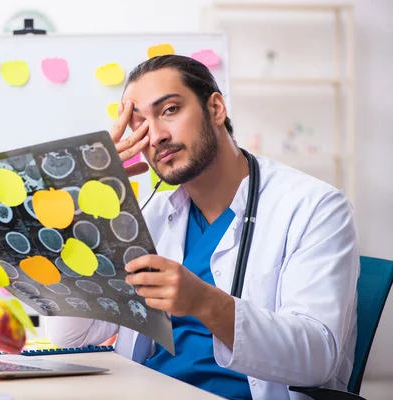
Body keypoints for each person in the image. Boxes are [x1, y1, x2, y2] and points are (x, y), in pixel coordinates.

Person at [43, 55, 360, 400]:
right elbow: (69, 333)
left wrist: (204, 301)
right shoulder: (151, 216)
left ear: (216, 108)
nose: (157, 137)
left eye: (169, 110)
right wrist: (85, 203)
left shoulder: (314, 207)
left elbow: (318, 358)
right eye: (140, 126)